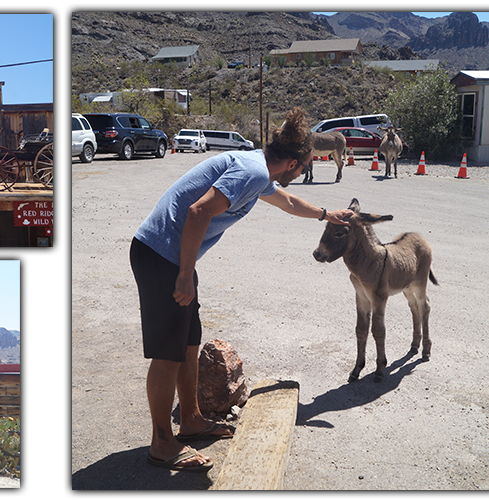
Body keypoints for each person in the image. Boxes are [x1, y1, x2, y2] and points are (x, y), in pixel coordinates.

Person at [130, 107, 353, 472]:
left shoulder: (260, 170)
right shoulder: (251, 172)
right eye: (308, 163)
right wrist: (185, 273)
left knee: (188, 342)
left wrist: (327, 214)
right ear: (295, 163)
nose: (305, 171)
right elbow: (199, 212)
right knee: (168, 353)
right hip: (162, 256)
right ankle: (162, 444)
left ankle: (190, 420)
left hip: (175, 256)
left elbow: (289, 202)